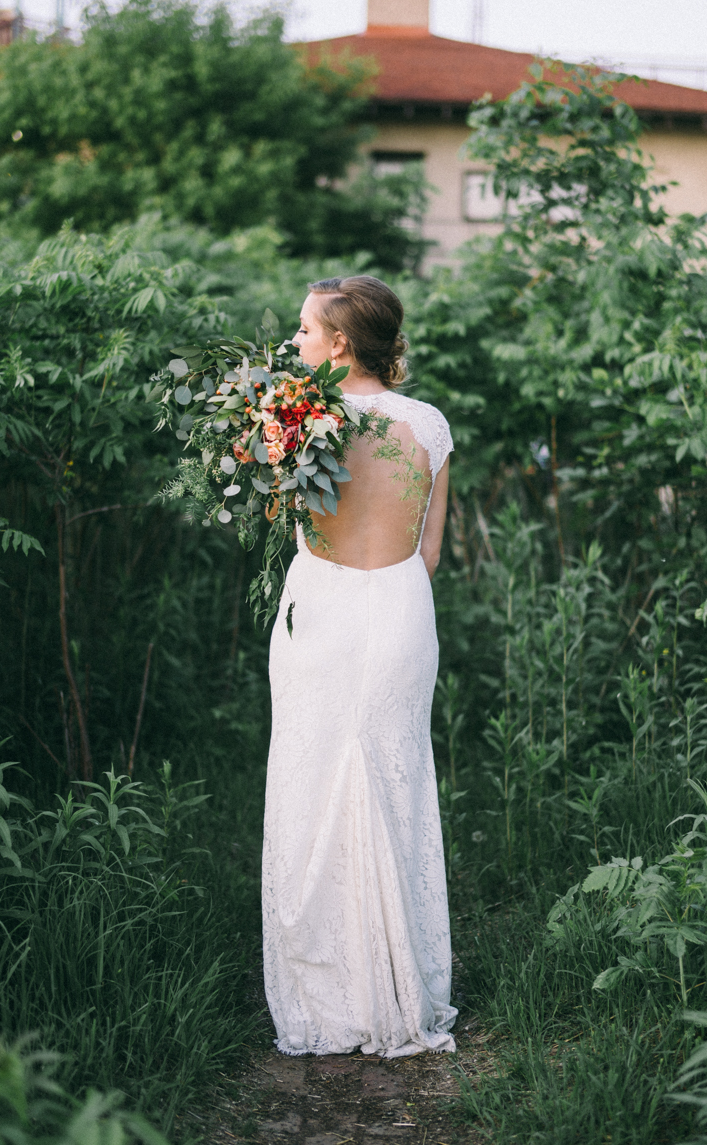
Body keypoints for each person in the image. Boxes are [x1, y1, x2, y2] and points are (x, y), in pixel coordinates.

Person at [262, 275, 457, 1058]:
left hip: (323, 612)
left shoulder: (297, 421)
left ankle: (326, 997)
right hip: (403, 613)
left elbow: (289, 515)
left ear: (341, 343)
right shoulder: (431, 425)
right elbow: (432, 550)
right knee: (395, 782)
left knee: (312, 788)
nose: (296, 344)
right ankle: (401, 992)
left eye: (306, 330)